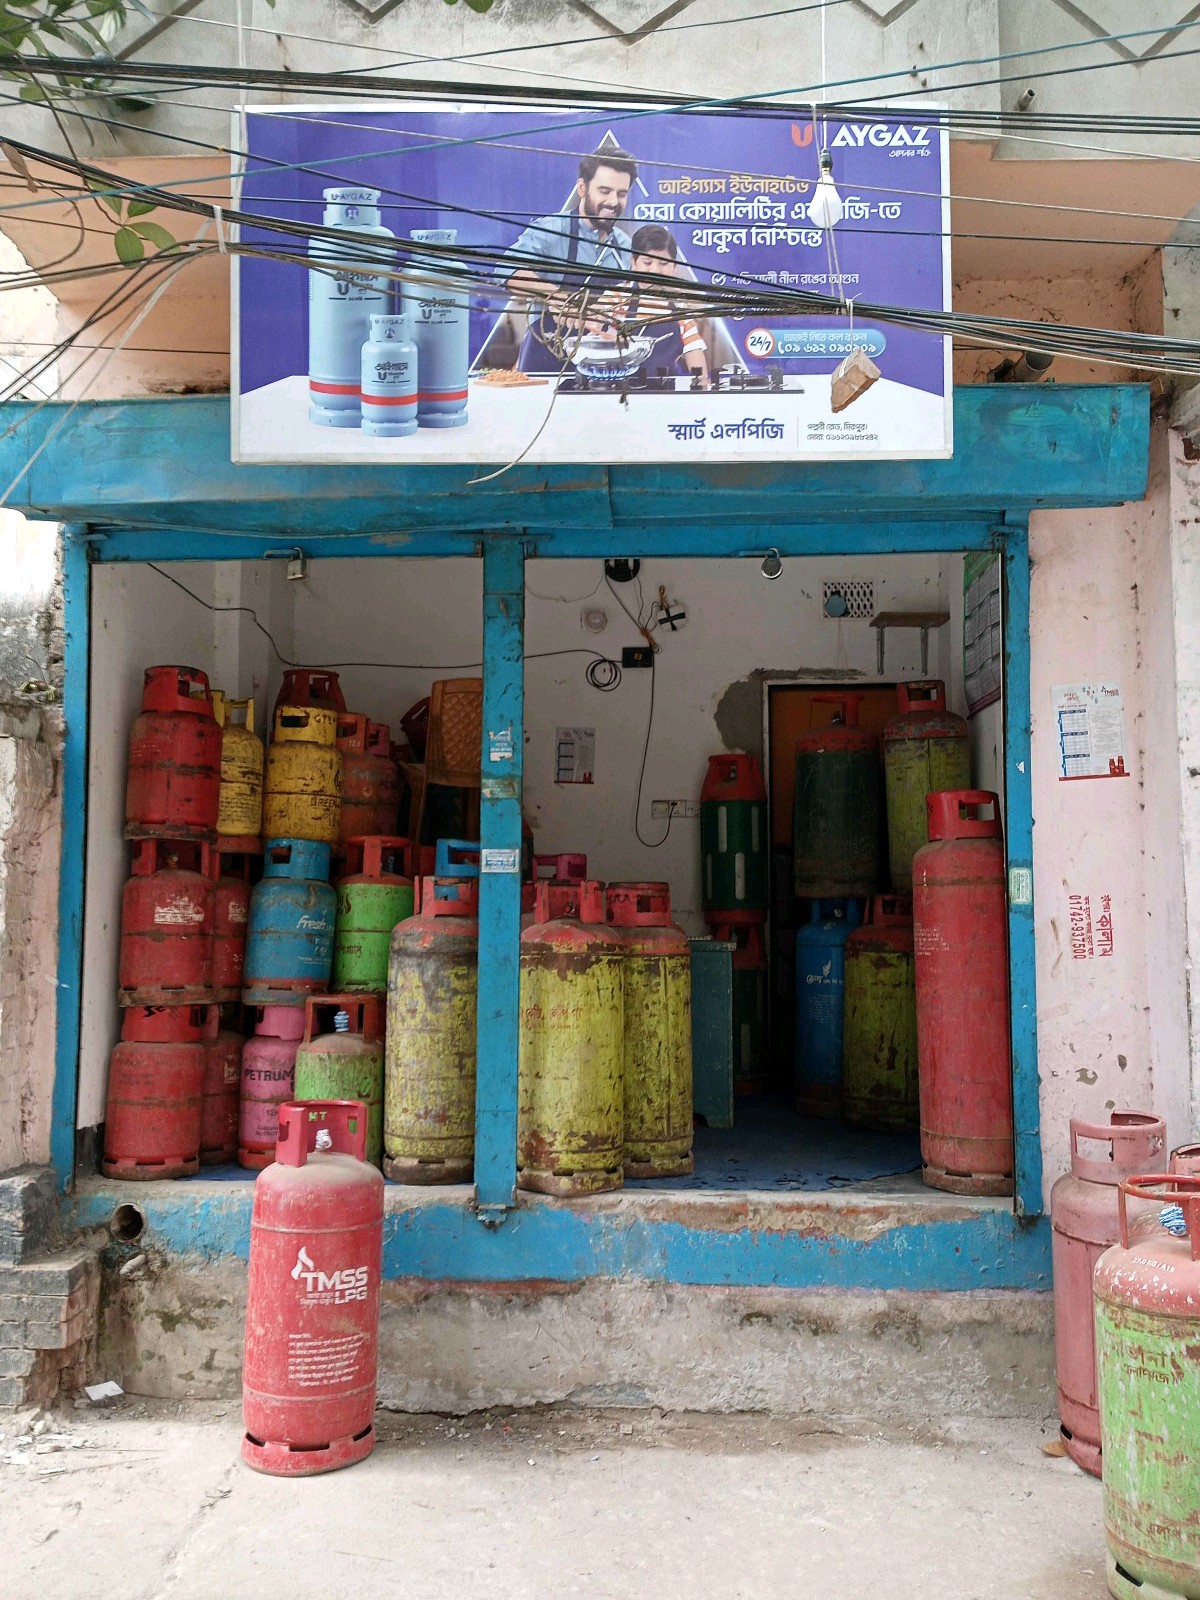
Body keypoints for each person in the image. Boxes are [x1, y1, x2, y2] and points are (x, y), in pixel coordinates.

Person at [502, 148, 638, 372]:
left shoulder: (625, 246)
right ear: (582, 187)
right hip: (545, 361)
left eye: (621, 194)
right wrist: (559, 299)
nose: (613, 202)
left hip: (601, 366)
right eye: (604, 191)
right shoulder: (551, 230)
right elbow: (507, 271)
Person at [623, 224, 710, 388]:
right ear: (633, 263)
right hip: (618, 394)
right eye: (647, 262)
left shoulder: (680, 307)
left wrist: (702, 387)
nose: (655, 270)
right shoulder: (615, 298)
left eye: (663, 263)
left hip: (666, 395)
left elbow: (695, 355)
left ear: (674, 267)